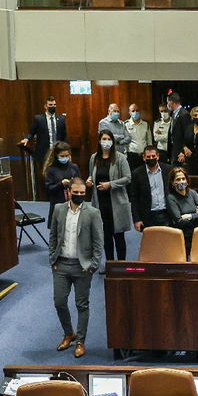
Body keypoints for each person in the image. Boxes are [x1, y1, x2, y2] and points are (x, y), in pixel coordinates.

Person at [45, 178, 103, 357]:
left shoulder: (93, 213)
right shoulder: (58, 209)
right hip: (61, 264)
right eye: (75, 192)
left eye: (82, 193)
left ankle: (80, 341)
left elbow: (98, 242)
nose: (78, 195)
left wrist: (93, 266)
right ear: (68, 192)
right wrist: (52, 259)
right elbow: (53, 235)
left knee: (82, 305)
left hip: (82, 267)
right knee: (59, 302)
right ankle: (68, 333)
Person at [87, 130, 132, 262]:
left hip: (116, 202)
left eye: (108, 139)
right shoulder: (94, 158)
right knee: (105, 235)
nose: (106, 142)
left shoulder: (120, 158)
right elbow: (91, 174)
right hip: (100, 202)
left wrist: (110, 184)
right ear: (99, 141)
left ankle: (121, 263)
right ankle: (110, 263)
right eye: (103, 139)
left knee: (118, 235)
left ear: (112, 141)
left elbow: (128, 178)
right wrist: (89, 181)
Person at [129, 145, 173, 232]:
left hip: (166, 213)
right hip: (148, 215)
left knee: (167, 242)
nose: (151, 158)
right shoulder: (137, 173)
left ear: (158, 156)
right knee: (150, 244)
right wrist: (136, 219)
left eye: (153, 156)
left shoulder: (168, 170)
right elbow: (134, 198)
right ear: (144, 158)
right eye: (148, 157)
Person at [19, 94, 66, 169]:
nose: (53, 106)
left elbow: (64, 136)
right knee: (45, 174)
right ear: (45, 106)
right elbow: (31, 132)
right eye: (50, 105)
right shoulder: (38, 119)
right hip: (44, 152)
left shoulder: (61, 119)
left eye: (54, 104)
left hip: (57, 151)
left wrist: (66, 150)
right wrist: (26, 139)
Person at [41, 140, 79, 223]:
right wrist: (61, 184)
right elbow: (49, 189)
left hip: (73, 204)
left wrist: (73, 184)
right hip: (58, 204)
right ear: (56, 155)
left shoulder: (74, 167)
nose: (65, 158)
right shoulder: (51, 169)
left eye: (67, 155)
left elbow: (80, 185)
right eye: (62, 156)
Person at [166, 165, 198, 241]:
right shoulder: (171, 198)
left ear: (187, 180)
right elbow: (179, 222)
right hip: (182, 236)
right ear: (172, 182)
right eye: (178, 179)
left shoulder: (193, 193)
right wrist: (197, 215)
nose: (181, 181)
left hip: (197, 233)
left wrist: (189, 216)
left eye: (183, 179)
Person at [123, 103, 150, 169]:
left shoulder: (145, 124)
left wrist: (149, 153)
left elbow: (149, 140)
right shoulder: (126, 124)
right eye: (133, 111)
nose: (135, 112)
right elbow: (124, 141)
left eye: (137, 110)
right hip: (132, 156)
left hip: (144, 155)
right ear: (129, 113)